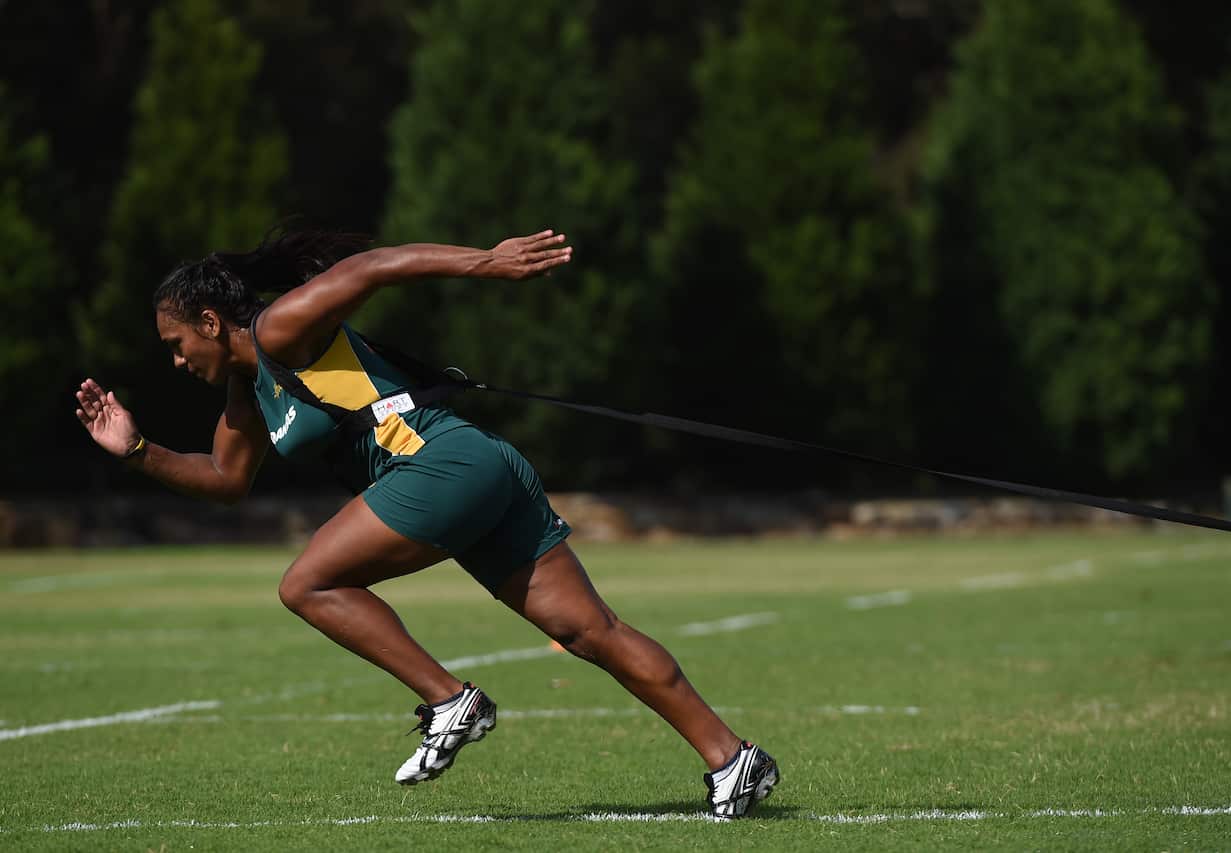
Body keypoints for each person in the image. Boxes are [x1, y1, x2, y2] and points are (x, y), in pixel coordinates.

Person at [74, 228, 779, 820]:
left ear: (207, 321)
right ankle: (732, 758)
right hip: (476, 468)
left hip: (443, 464)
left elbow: (371, 267)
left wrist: (487, 261)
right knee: (590, 630)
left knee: (307, 583)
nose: (174, 360)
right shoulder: (246, 393)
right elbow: (226, 480)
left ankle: (449, 700)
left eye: (175, 342)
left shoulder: (279, 327)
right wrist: (137, 449)